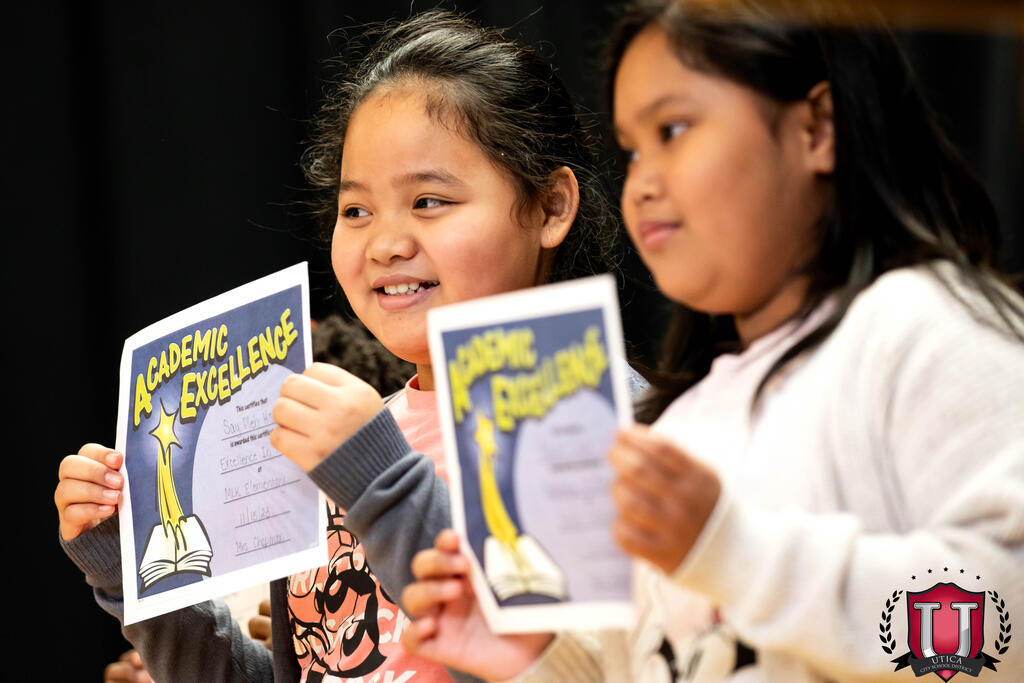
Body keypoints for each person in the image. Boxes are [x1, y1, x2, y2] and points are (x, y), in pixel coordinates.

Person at [398, 1, 1024, 681]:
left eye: (674, 129)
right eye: (633, 150)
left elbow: (1001, 628)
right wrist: (537, 661)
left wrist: (735, 552)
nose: (642, 182)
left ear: (817, 127)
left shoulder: (923, 328)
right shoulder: (677, 416)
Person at [56, 10, 634, 683]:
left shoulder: (607, 425)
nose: (385, 243)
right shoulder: (339, 438)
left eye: (429, 200)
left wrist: (376, 476)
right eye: (356, 210)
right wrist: (133, 572)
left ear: (550, 207)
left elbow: (563, 669)